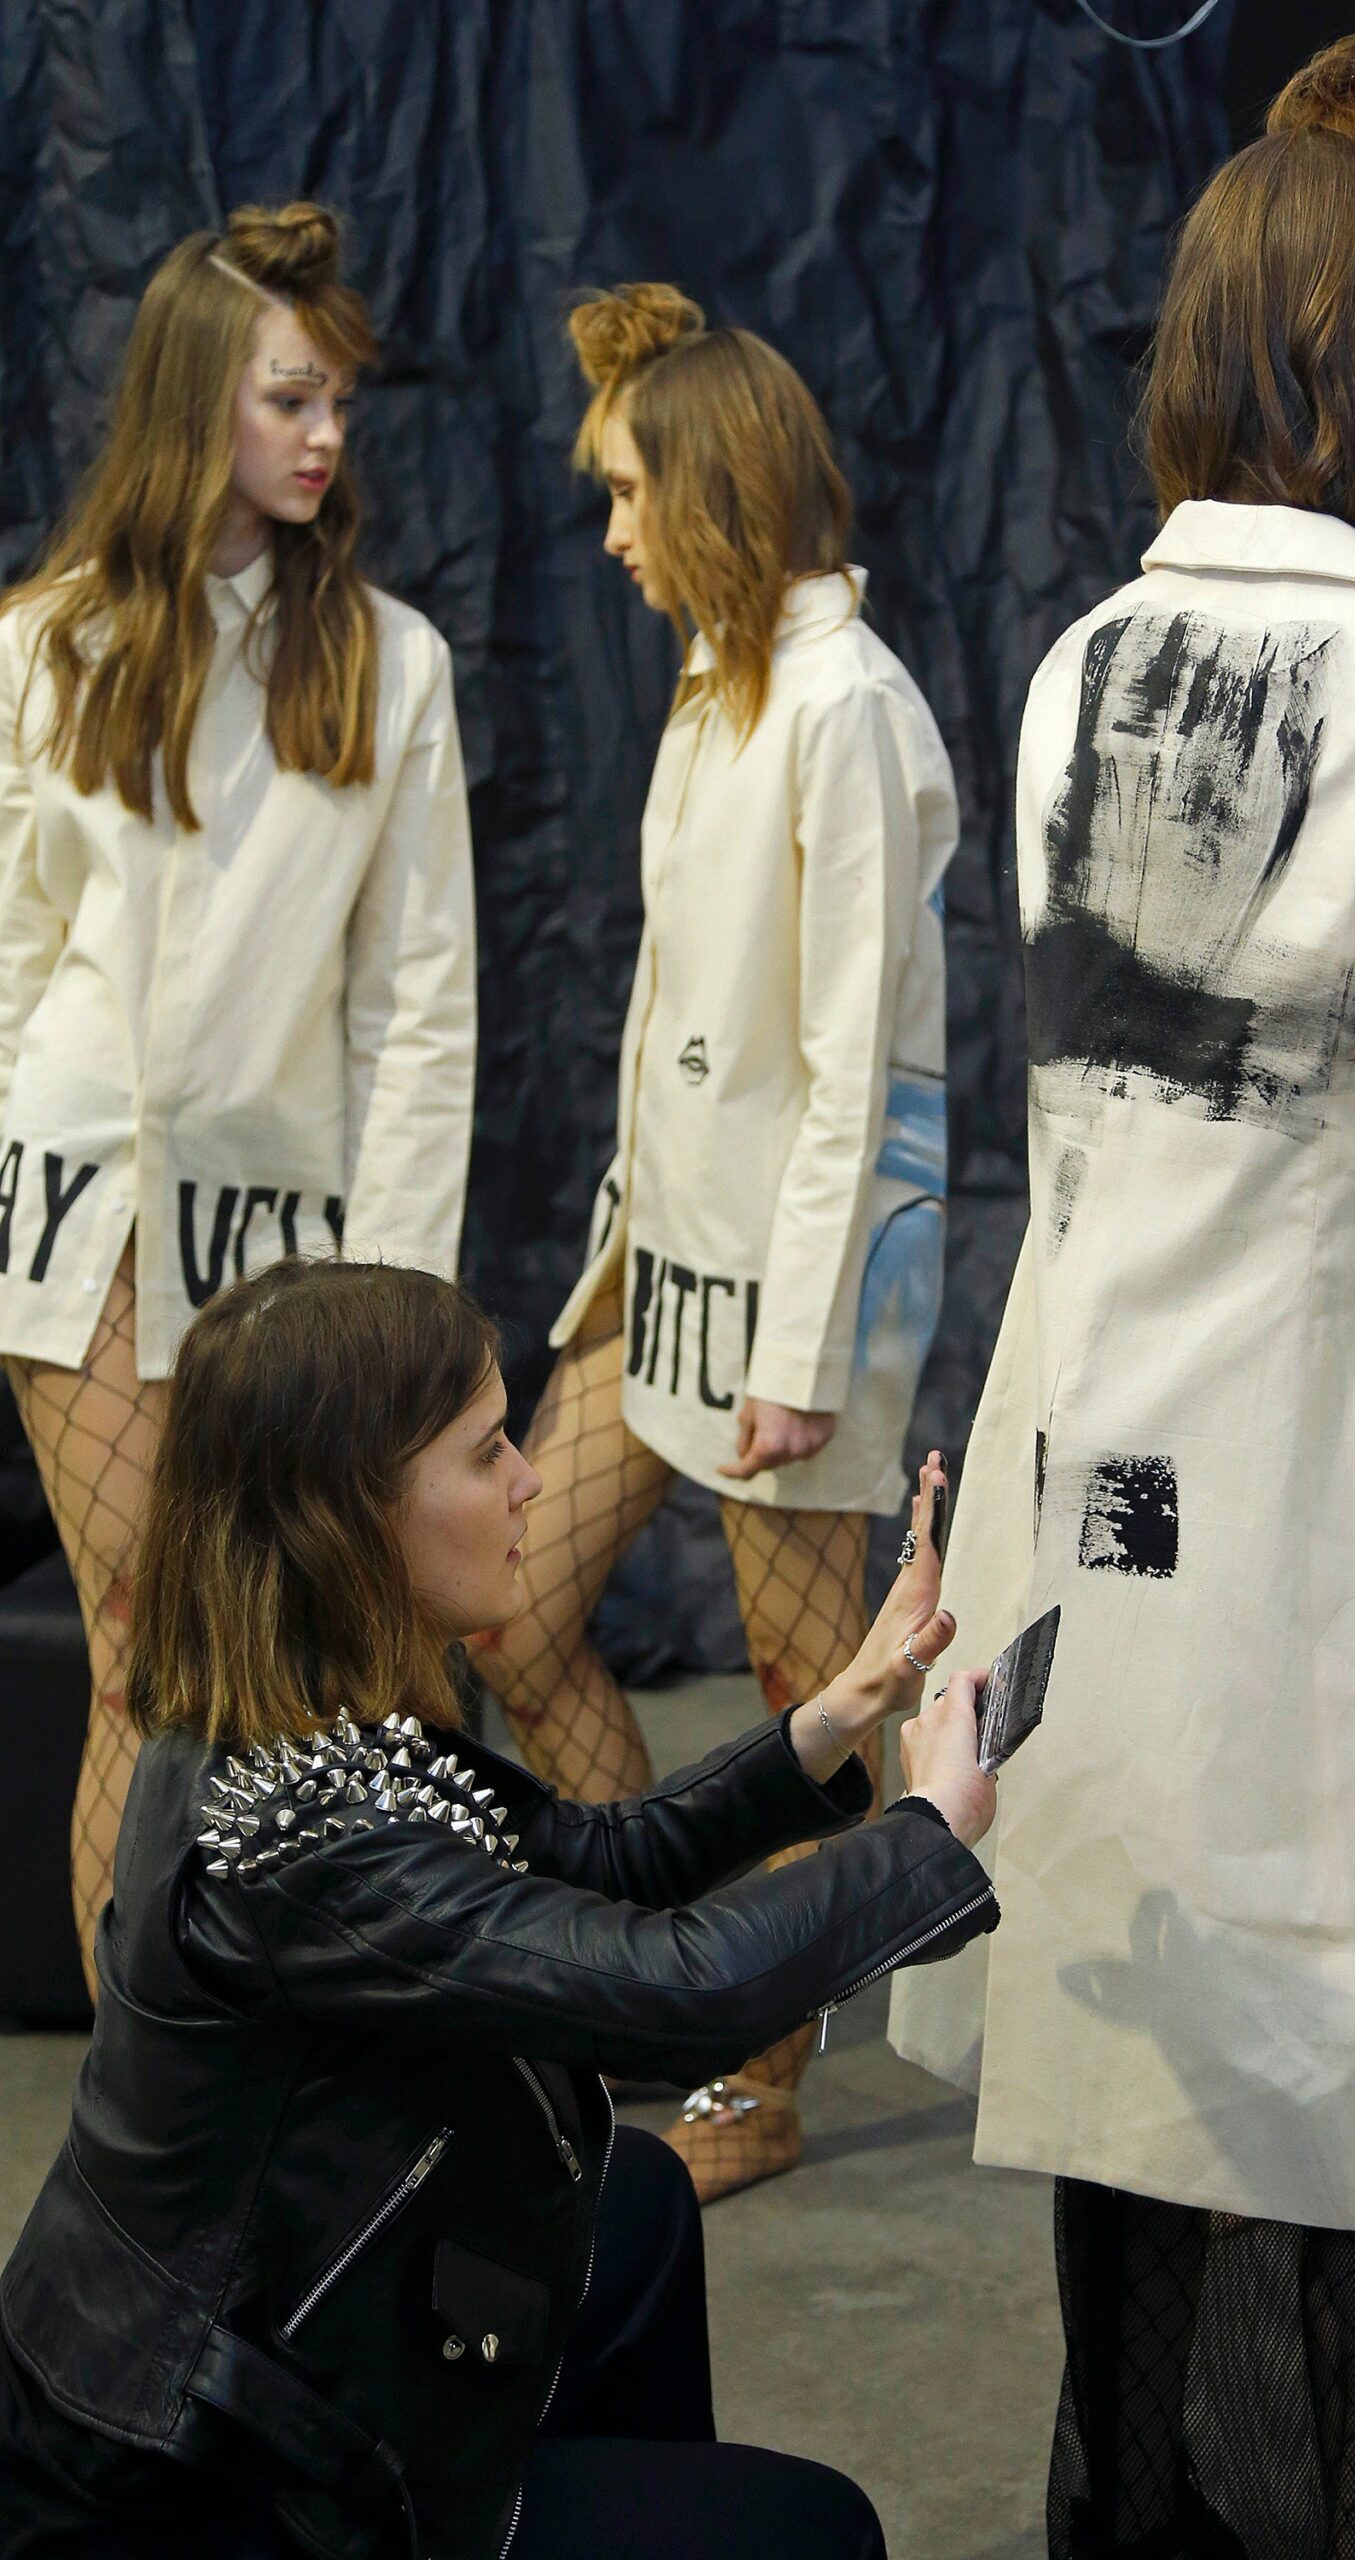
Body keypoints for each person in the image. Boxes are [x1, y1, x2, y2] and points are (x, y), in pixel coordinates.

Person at [890, 30, 1355, 2558]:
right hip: (1337, 1517)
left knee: (1143, 2110)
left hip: (1094, 1503)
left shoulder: (1068, 665)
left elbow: (1071, 1149)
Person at [0, 1255, 998, 2560]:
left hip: (257, 2359)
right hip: (205, 2487)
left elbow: (591, 1854)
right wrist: (926, 1836)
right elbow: (679, 1994)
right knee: (815, 2530)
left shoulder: (308, 1703)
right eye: (483, 1455)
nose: (529, 1478)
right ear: (349, 1514)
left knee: (629, 2204)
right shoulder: (299, 1834)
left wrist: (842, 1711)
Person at [477, 283, 958, 2201]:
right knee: (511, 1609)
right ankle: (663, 1979)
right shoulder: (718, 678)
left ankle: (761, 2056)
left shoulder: (846, 705)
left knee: (803, 1686)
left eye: (627, 495)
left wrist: (792, 1350)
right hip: (660, 1264)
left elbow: (856, 1064)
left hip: (794, 1286)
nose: (607, 535)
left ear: (718, 490)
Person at [0, 202, 476, 1991]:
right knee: (139, 1649)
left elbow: (420, 1012)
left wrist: (401, 1308)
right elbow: (11, 962)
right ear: (197, 402)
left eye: (338, 399)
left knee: (322, 1675)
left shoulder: (388, 661)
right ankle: (145, 2123)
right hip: (81, 1221)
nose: (326, 434)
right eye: (289, 397)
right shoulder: (47, 645)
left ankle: (303, 2092)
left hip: (290, 1248)